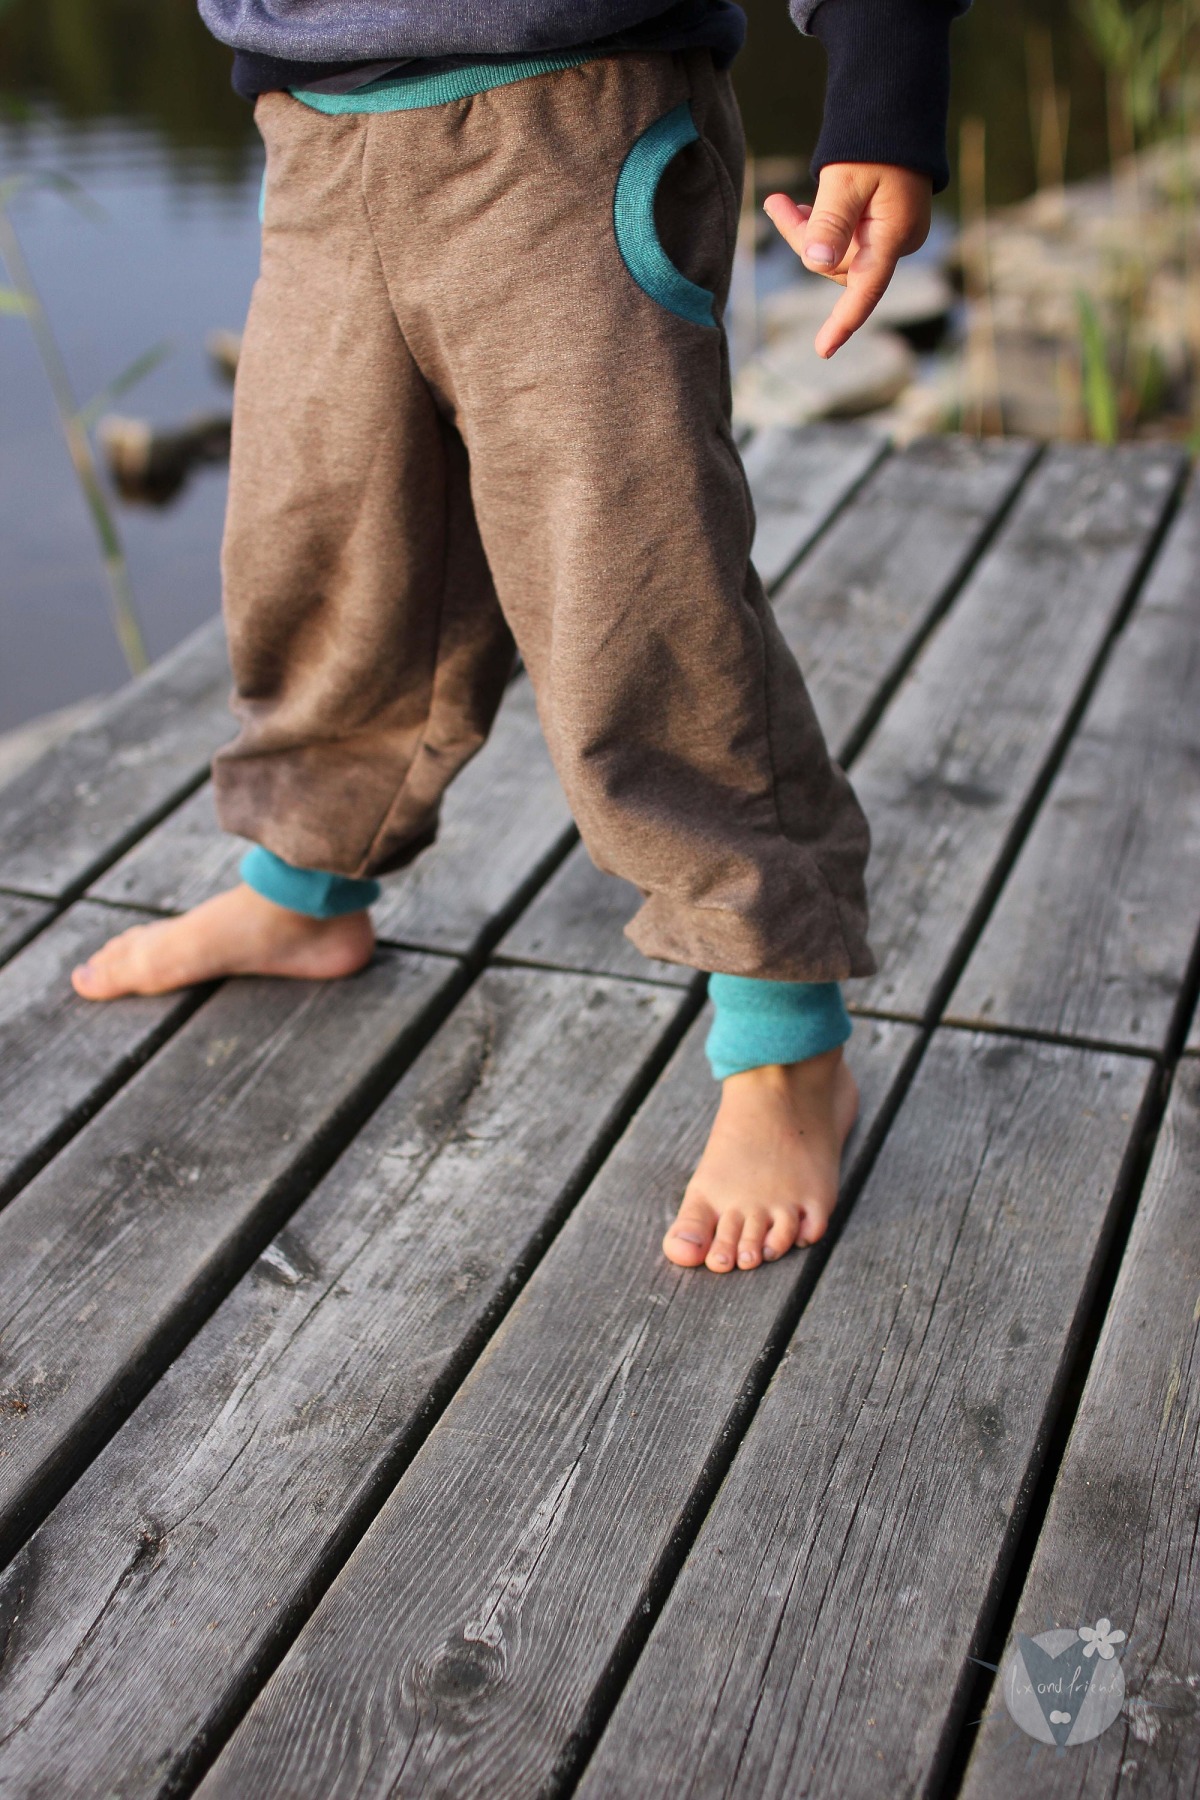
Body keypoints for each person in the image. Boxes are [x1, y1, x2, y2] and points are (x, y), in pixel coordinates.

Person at [73, 0, 968, 1274]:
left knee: (635, 588)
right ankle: (305, 885)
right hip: (316, 132)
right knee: (323, 553)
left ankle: (786, 1037)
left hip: (573, 123)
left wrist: (884, 83)